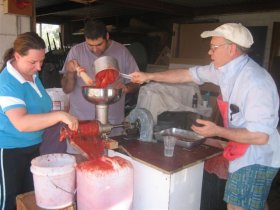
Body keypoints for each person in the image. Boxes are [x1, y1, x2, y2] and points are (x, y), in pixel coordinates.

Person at [130, 23, 280, 210]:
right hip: (242, 150)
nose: (210, 52)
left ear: (231, 49)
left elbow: (260, 136)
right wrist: (148, 76)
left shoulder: (255, 82)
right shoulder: (224, 71)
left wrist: (217, 131)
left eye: (214, 47)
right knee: (254, 204)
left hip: (256, 157)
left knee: (236, 207)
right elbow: (185, 75)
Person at [0, 32, 78, 210]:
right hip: (9, 151)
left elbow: (40, 108)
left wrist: (61, 116)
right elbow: (22, 123)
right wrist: (58, 116)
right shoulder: (6, 83)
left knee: (30, 197)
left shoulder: (33, 76)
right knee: (10, 199)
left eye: (41, 61)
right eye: (33, 62)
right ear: (17, 56)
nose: (39, 67)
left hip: (33, 147)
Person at [61, 19, 139, 153]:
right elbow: (66, 89)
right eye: (90, 45)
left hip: (112, 126)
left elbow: (136, 82)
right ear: (85, 39)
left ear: (107, 37)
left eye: (99, 44)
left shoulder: (121, 51)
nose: (95, 49)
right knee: (80, 166)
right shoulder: (76, 52)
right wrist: (70, 72)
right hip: (81, 125)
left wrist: (127, 88)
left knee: (110, 165)